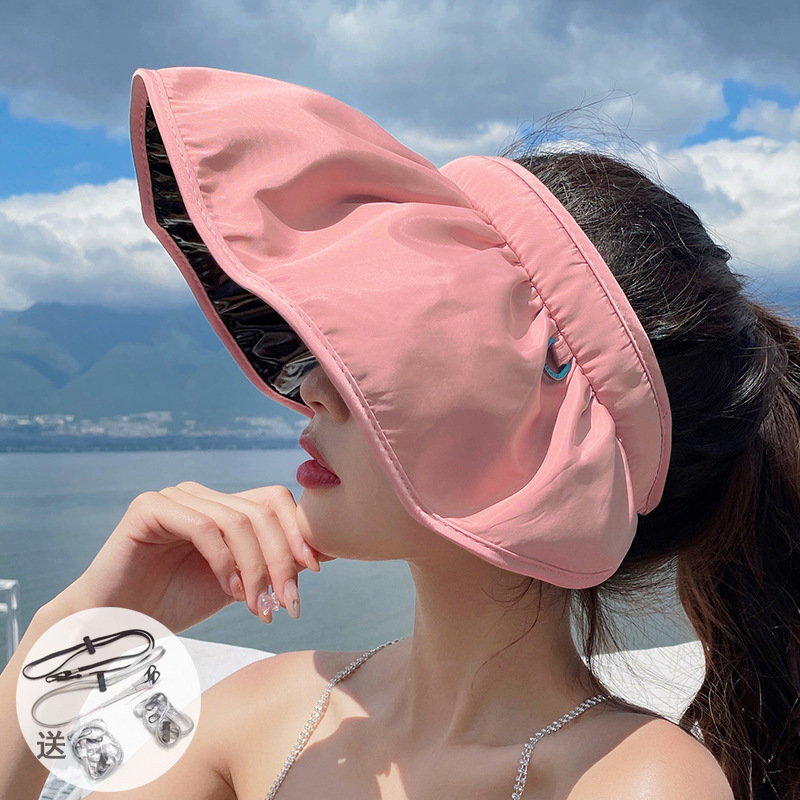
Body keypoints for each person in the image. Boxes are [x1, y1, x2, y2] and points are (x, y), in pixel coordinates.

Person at [2, 67, 798, 800]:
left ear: (551, 446)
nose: (313, 388)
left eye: (398, 353)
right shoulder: (259, 713)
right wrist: (91, 620)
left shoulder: (635, 783)